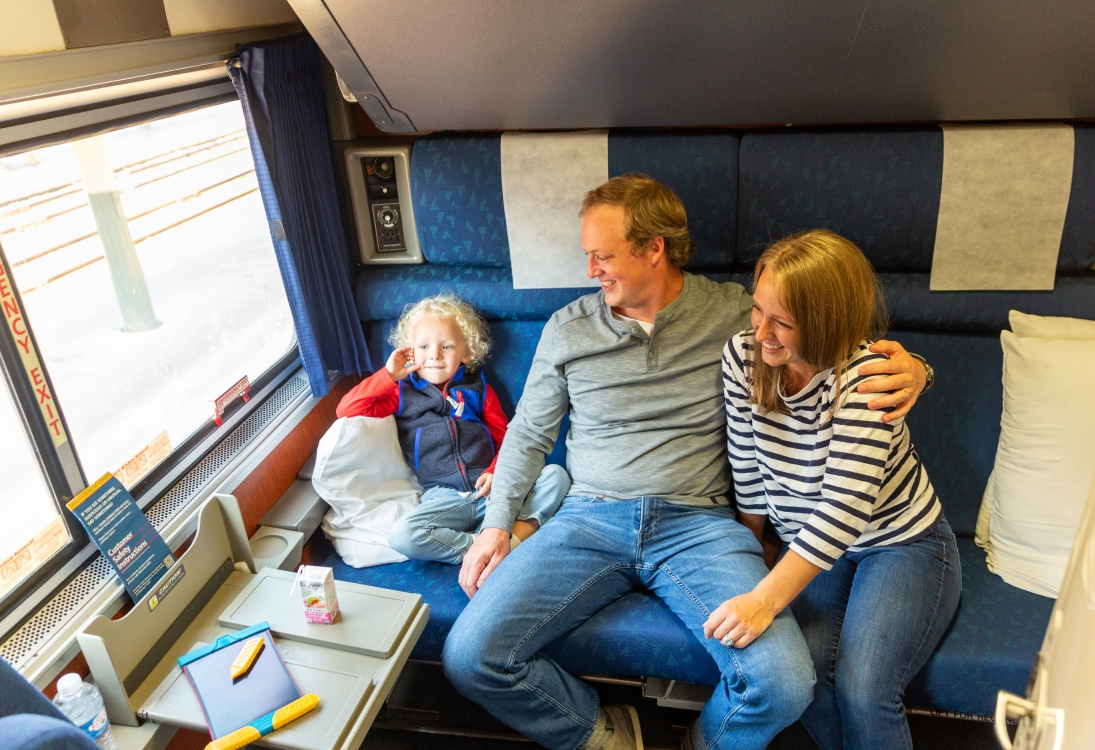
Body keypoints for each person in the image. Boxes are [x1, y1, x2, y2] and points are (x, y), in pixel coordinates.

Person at [442, 174, 931, 750]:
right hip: (588, 520)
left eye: (603, 255)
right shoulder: (568, 329)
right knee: (470, 656)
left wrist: (917, 368)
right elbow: (527, 435)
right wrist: (497, 525)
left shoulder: (740, 317)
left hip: (699, 525)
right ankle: (607, 737)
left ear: (654, 248)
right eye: (587, 256)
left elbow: (830, 336)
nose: (590, 270)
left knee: (783, 684)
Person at [712, 229, 961, 750]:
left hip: (901, 542)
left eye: (783, 322)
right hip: (812, 546)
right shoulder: (743, 356)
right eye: (758, 311)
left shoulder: (866, 375)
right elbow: (747, 460)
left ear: (826, 322)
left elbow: (842, 509)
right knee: (804, 683)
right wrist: (754, 544)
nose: (762, 333)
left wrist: (764, 598)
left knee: (864, 689)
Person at [335, 293, 571, 564]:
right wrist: (388, 375)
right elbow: (347, 408)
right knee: (403, 535)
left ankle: (510, 540)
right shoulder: (401, 392)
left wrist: (497, 472)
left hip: (495, 492)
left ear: (466, 352)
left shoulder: (480, 389)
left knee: (556, 475)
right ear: (409, 351)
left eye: (446, 346)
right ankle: (480, 548)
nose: (434, 355)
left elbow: (507, 439)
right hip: (444, 499)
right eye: (422, 346)